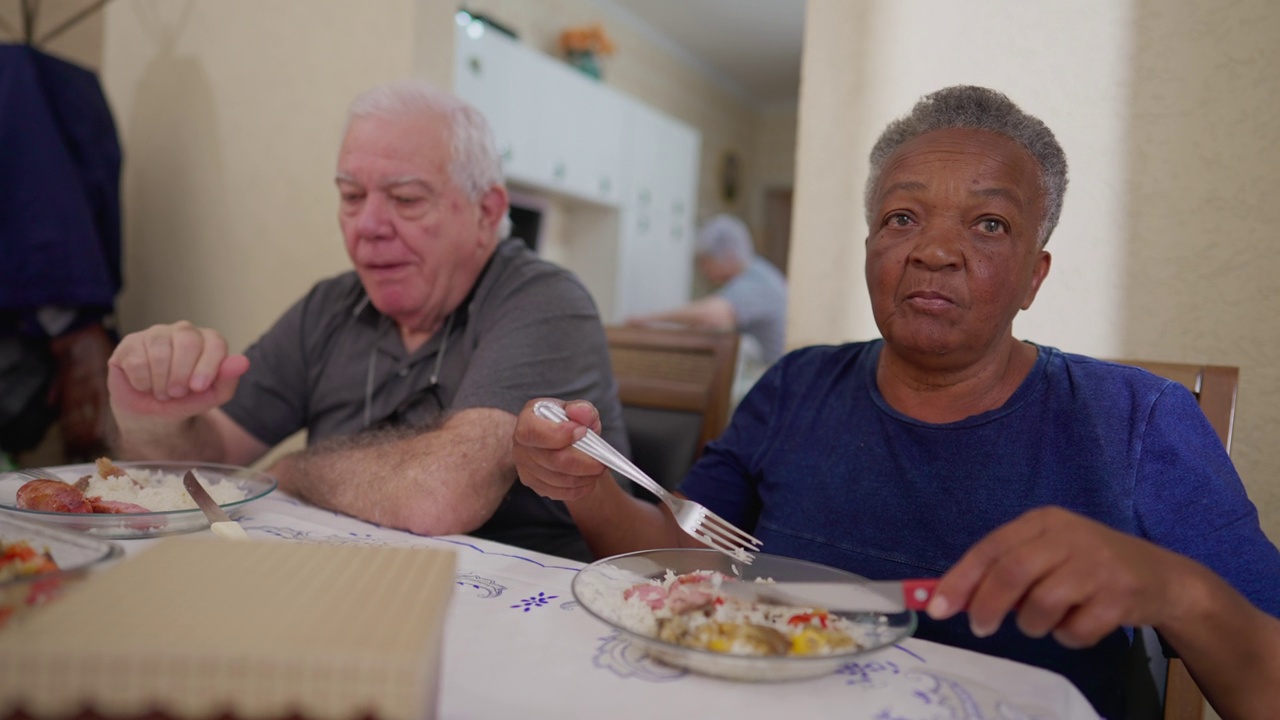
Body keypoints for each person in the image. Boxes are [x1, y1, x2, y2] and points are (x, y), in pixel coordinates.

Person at [511, 86, 1280, 717]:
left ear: (1034, 277)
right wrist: (587, 487)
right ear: (873, 247)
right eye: (902, 218)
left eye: (987, 223)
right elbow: (677, 565)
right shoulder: (796, 387)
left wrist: (1176, 589)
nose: (934, 250)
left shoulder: (1138, 422)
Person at [106, 80, 627, 562]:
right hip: (353, 582)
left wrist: (294, 472)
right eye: (351, 196)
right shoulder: (330, 307)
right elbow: (208, 462)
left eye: (405, 198)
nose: (369, 226)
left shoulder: (545, 300)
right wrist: (152, 418)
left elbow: (437, 495)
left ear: (486, 212)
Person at [627, 214, 788, 367]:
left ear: (729, 256)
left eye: (706, 262)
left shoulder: (756, 281)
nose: (704, 270)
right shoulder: (754, 273)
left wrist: (648, 319)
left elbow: (711, 315)